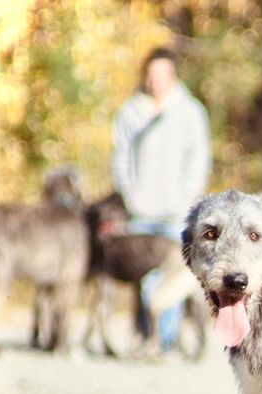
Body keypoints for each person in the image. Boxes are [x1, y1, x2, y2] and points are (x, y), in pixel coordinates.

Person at [111, 46, 211, 352]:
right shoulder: (131, 111)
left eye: (163, 75)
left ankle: (165, 340)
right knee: (143, 279)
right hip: (140, 211)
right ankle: (146, 336)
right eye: (151, 75)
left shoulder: (191, 112)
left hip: (175, 212)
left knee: (173, 278)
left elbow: (199, 159)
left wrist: (186, 197)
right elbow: (120, 157)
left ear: (173, 76)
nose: (156, 81)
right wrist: (129, 194)